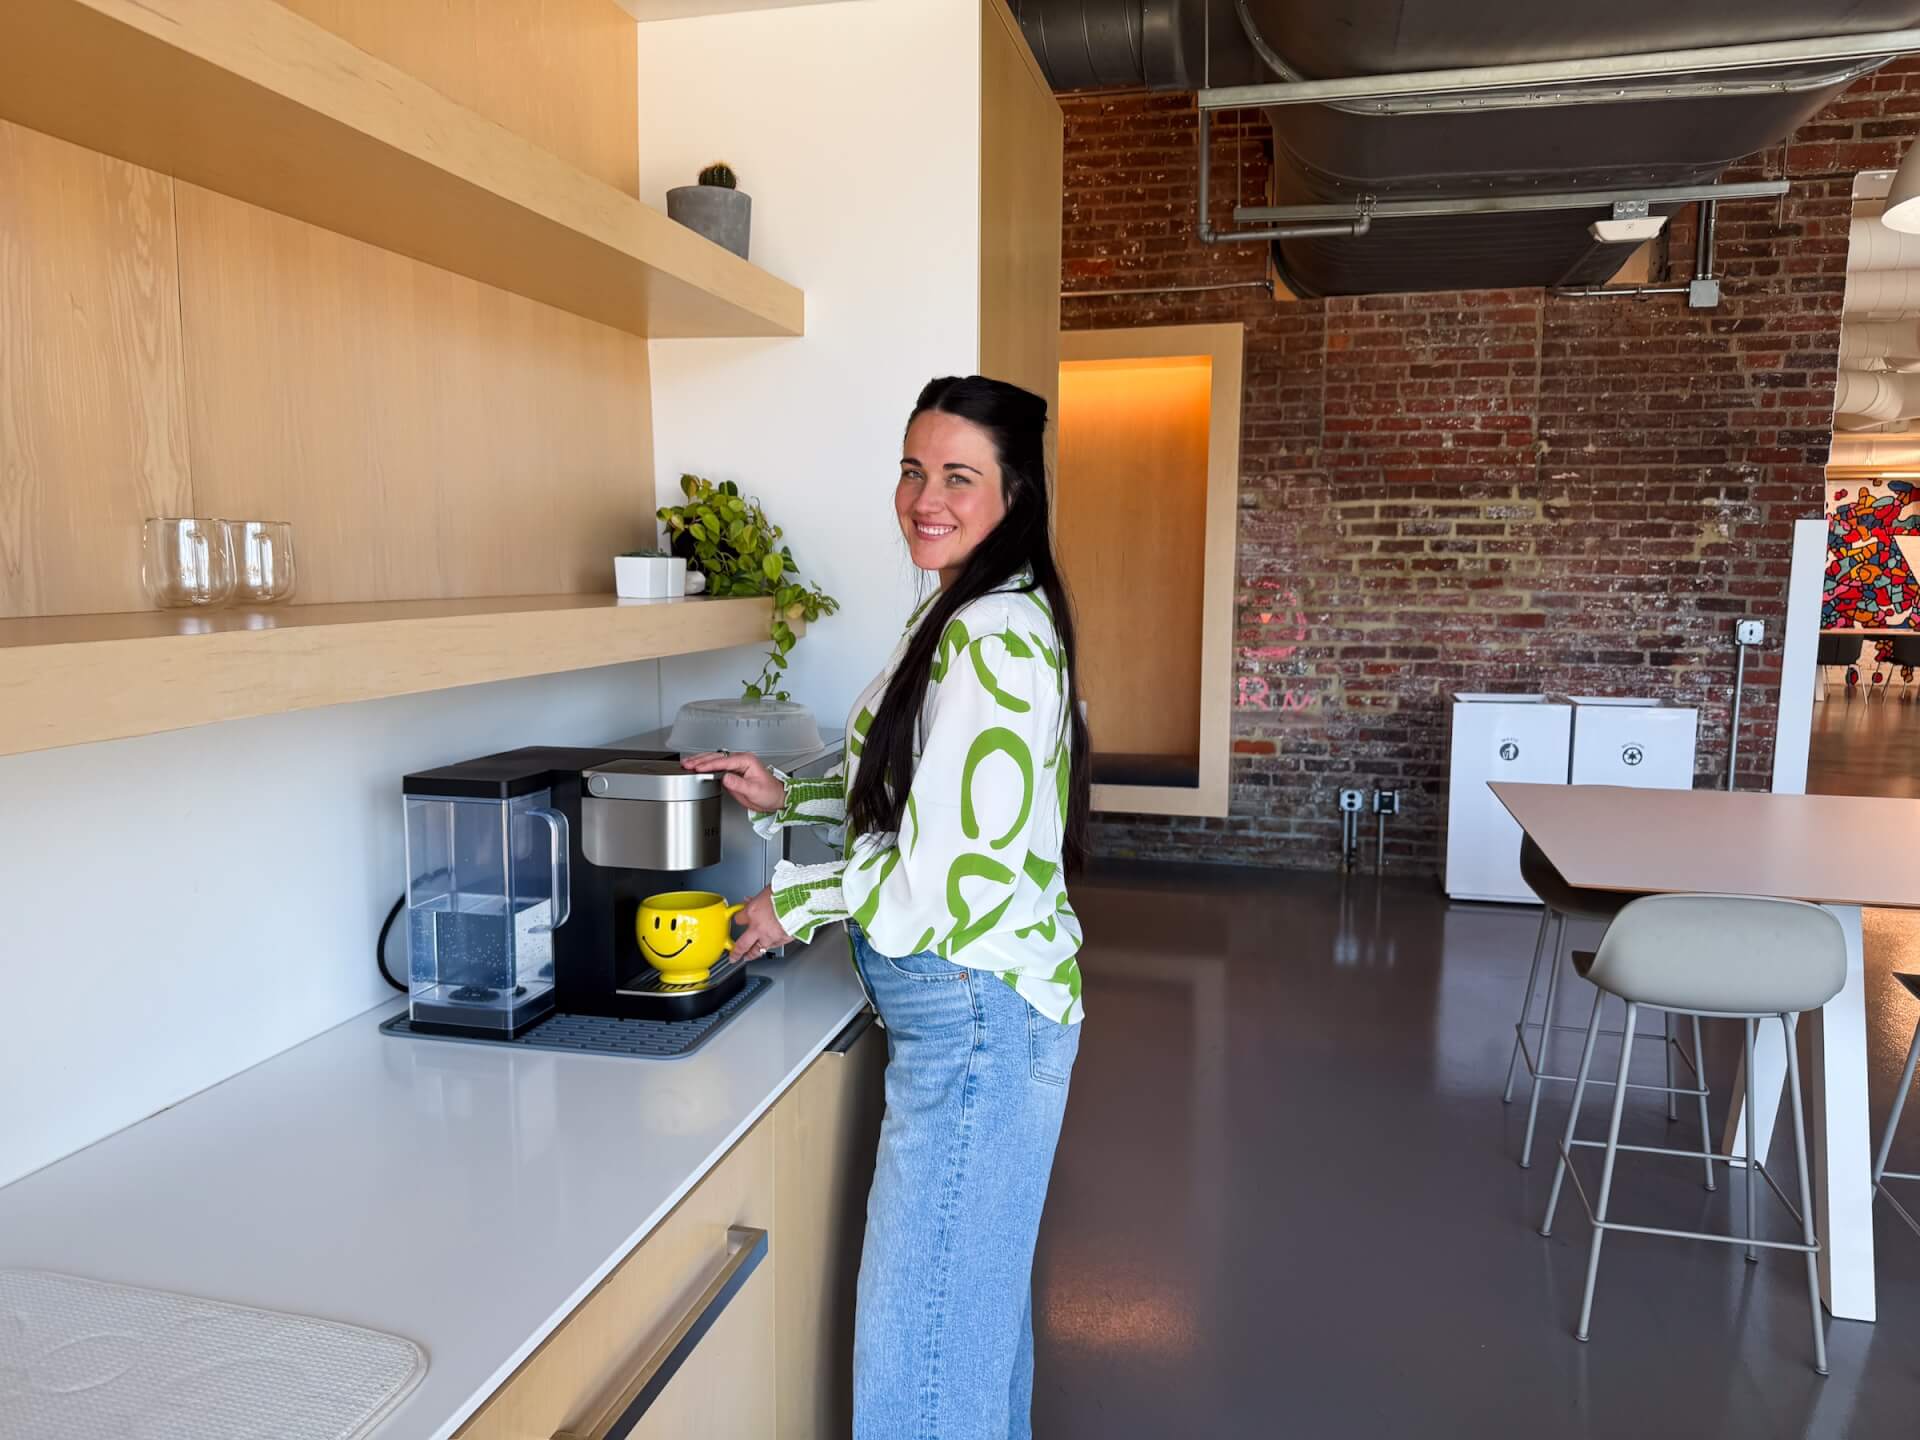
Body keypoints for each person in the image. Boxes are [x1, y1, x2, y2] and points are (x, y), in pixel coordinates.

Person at [684, 374, 1091, 1439]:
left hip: (975, 1027)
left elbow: (948, 865)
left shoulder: (991, 636)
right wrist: (794, 795)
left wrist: (795, 900)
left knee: (923, 1375)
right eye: (914, 469)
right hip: (980, 1016)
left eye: (959, 475)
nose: (925, 496)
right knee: (966, 1346)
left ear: (1016, 491)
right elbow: (924, 783)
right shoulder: (968, 612)